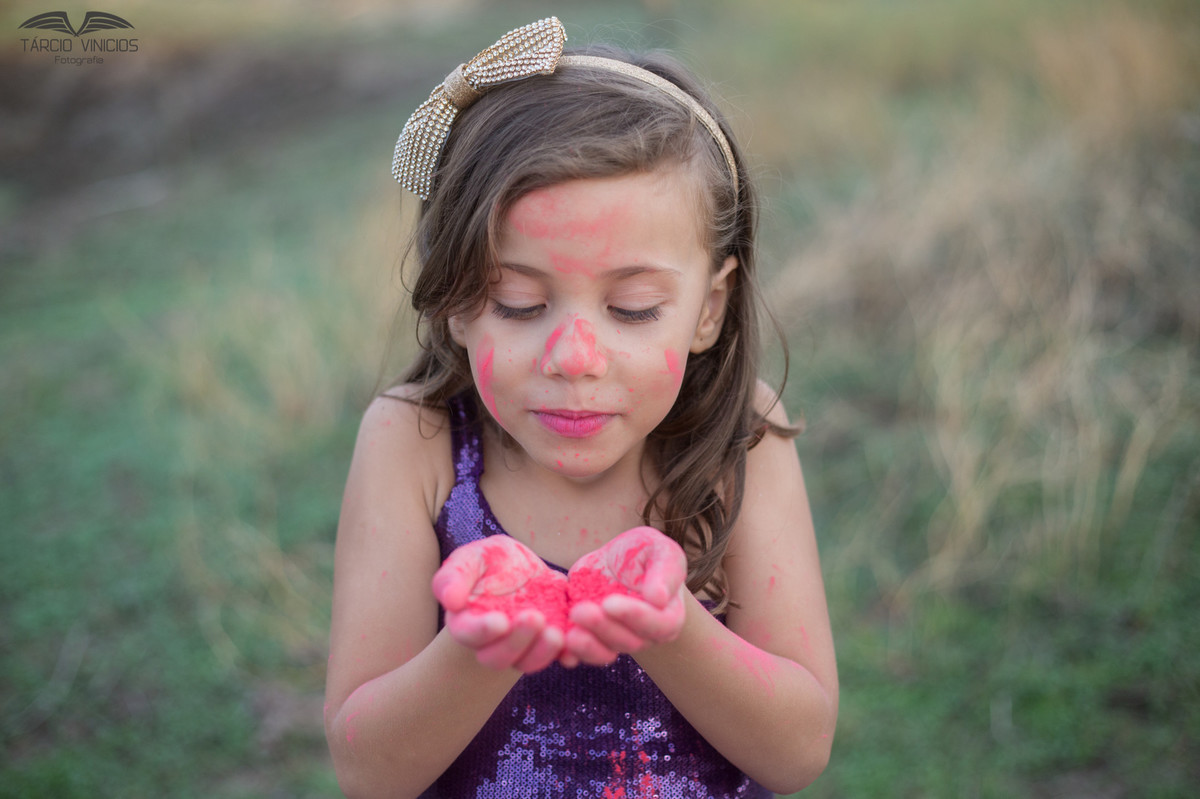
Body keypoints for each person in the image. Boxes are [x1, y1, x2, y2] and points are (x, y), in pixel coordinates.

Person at [324, 17, 837, 799]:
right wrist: (484, 648)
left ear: (709, 308)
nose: (574, 356)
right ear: (455, 303)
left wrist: (671, 629)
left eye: (632, 308)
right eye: (518, 302)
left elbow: (797, 751)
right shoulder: (414, 440)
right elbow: (367, 771)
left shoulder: (744, 439)